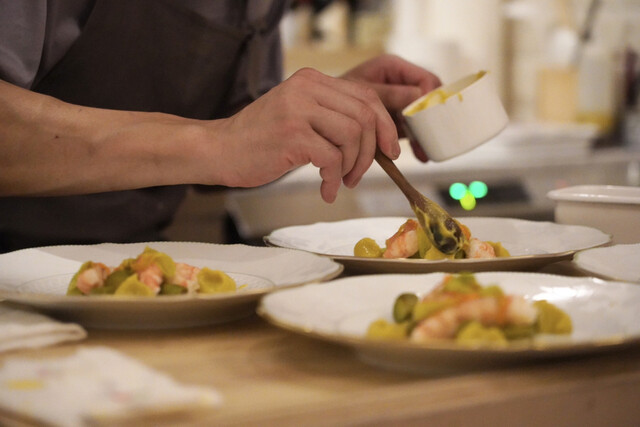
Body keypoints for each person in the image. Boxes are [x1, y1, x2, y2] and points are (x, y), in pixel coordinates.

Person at [0, 0, 441, 253]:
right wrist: (219, 142)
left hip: (135, 273)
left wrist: (329, 116)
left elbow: (234, 151)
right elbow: (223, 144)